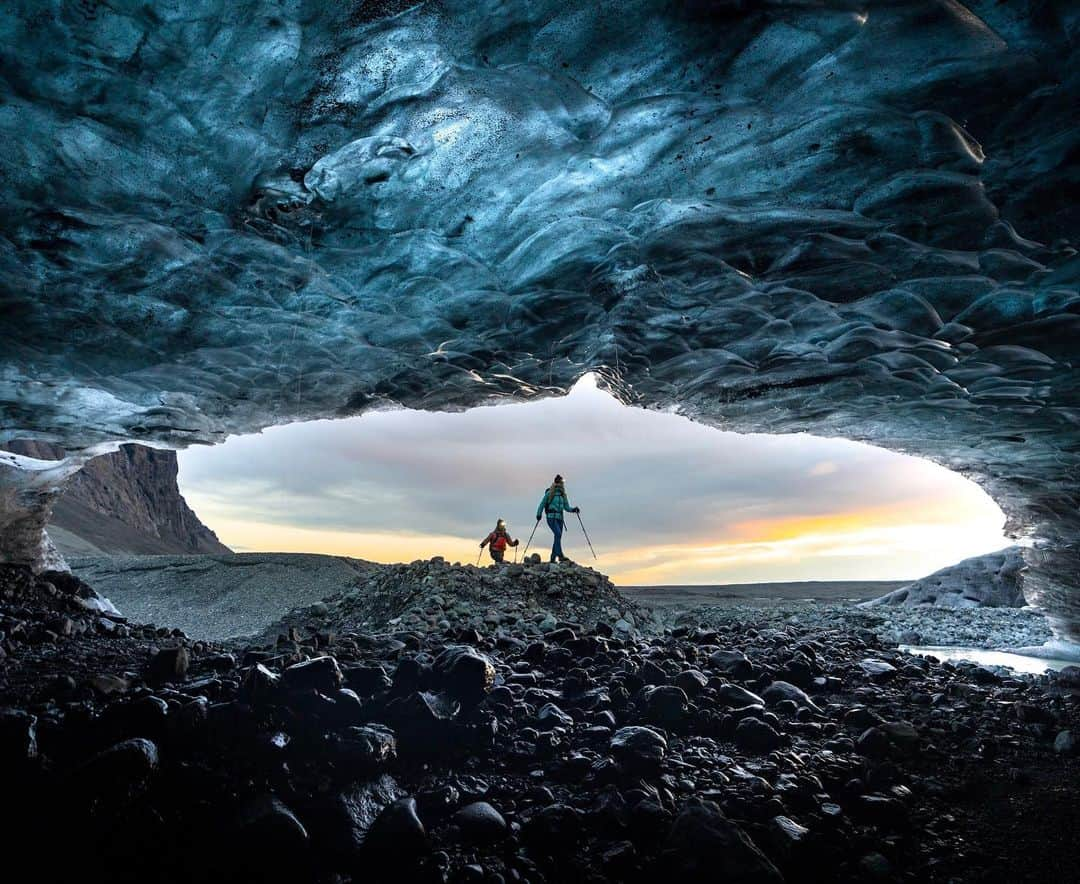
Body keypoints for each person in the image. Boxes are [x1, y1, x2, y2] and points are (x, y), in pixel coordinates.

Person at [535, 474, 579, 563]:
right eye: (560, 482)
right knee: (558, 534)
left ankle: (552, 558)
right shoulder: (550, 493)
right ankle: (560, 555)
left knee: (557, 536)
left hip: (560, 519)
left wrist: (573, 510)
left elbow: (566, 507)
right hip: (551, 517)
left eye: (562, 483)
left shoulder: (563, 495)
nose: (561, 484)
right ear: (556, 483)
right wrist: (539, 514)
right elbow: (542, 504)